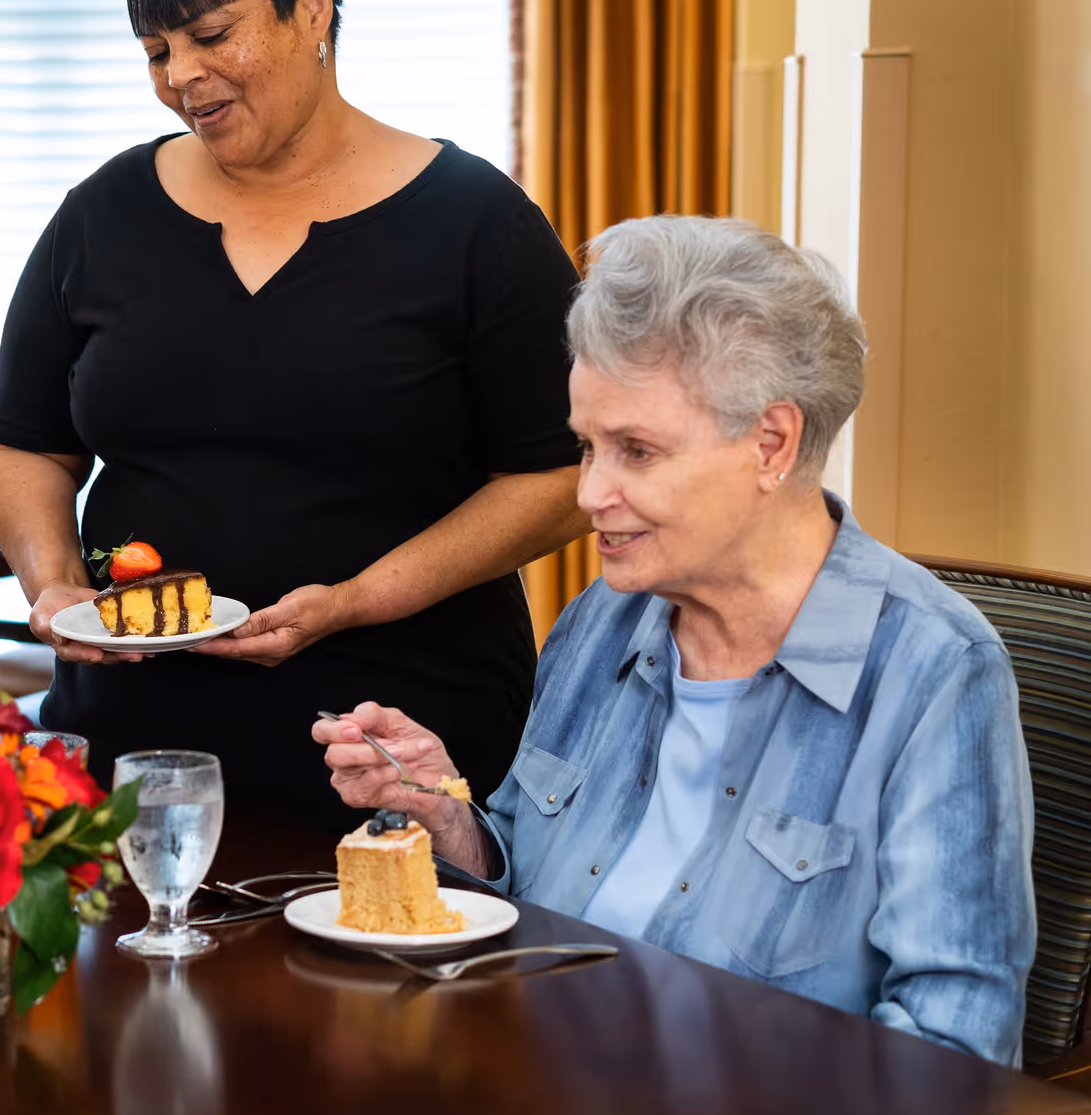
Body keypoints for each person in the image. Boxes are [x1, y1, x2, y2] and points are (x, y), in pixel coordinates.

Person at [316, 216, 1035, 1064]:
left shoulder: (934, 673)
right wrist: (451, 817)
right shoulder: (601, 619)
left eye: (636, 451)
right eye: (587, 446)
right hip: (522, 1094)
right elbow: (526, 884)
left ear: (772, 443)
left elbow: (958, 1052)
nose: (590, 492)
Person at [0, 0, 587, 824]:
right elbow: (26, 441)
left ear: (313, 7)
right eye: (156, 50)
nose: (180, 75)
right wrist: (53, 580)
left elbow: (559, 479)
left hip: (400, 734)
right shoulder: (101, 215)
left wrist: (354, 599)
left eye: (211, 35)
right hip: (137, 749)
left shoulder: (477, 222)